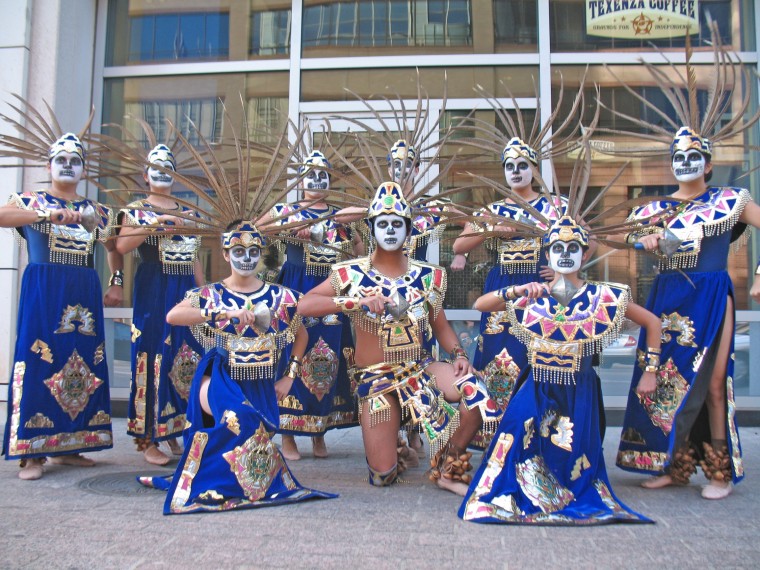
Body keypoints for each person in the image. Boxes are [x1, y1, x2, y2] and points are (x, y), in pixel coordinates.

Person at [605, 25, 760, 500]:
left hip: (712, 294)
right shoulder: (652, 208)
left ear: (709, 164)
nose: (685, 161)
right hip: (668, 299)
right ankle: (674, 465)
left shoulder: (731, 200)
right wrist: (642, 241)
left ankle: (719, 471)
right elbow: (611, 239)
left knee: (714, 383)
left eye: (694, 155)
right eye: (678, 156)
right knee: (668, 383)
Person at [298, 181, 502, 494]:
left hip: (420, 370)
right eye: (383, 223)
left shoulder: (428, 275)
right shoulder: (350, 274)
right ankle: (393, 442)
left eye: (397, 224)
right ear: (371, 228)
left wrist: (460, 355)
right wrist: (355, 301)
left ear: (408, 230)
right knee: (384, 476)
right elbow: (305, 304)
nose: (390, 230)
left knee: (474, 391)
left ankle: (451, 466)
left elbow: (441, 326)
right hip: (377, 378)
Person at [459, 214, 656, 525]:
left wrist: (650, 370)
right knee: (514, 436)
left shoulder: (604, 296)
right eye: (558, 247)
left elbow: (652, 322)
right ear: (547, 254)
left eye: (573, 247)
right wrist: (516, 290)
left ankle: (561, 492)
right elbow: (481, 305)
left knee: (572, 466)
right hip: (537, 386)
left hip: (581, 393)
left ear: (584, 253)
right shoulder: (533, 294)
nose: (565, 253)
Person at [140, 220, 336, 513]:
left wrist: (289, 376)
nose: (246, 258)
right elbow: (174, 316)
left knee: (255, 435)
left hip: (261, 383)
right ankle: (213, 483)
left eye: (253, 250)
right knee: (241, 419)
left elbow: (302, 334)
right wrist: (223, 313)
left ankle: (216, 477)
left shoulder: (280, 296)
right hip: (219, 377)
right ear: (224, 254)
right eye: (239, 250)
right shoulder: (212, 293)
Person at [1, 130, 123, 480]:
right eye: (61, 160)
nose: (68, 166)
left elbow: (113, 246)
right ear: (48, 165)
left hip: (83, 291)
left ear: (84, 169)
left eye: (75, 161)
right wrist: (45, 215)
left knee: (84, 364)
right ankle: (32, 452)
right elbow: (2, 216)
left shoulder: (95, 209)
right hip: (45, 287)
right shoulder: (31, 201)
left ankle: (71, 446)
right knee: (38, 360)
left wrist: (116, 281)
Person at [258, 150, 359, 460]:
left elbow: (357, 245)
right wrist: (289, 228)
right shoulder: (288, 210)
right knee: (293, 354)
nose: (317, 179)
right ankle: (288, 434)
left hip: (329, 291)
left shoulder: (340, 216)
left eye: (322, 174)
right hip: (297, 286)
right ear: (301, 181)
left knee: (328, 357)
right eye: (310, 174)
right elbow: (255, 230)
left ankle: (319, 430)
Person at [116, 143, 205, 465]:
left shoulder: (190, 210)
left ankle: (177, 430)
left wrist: (204, 293)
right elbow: (123, 245)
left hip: (185, 290)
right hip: (155, 288)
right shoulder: (137, 209)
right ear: (145, 174)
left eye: (168, 165)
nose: (162, 170)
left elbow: (195, 258)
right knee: (153, 358)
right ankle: (149, 437)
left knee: (185, 361)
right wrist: (155, 223)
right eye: (156, 165)